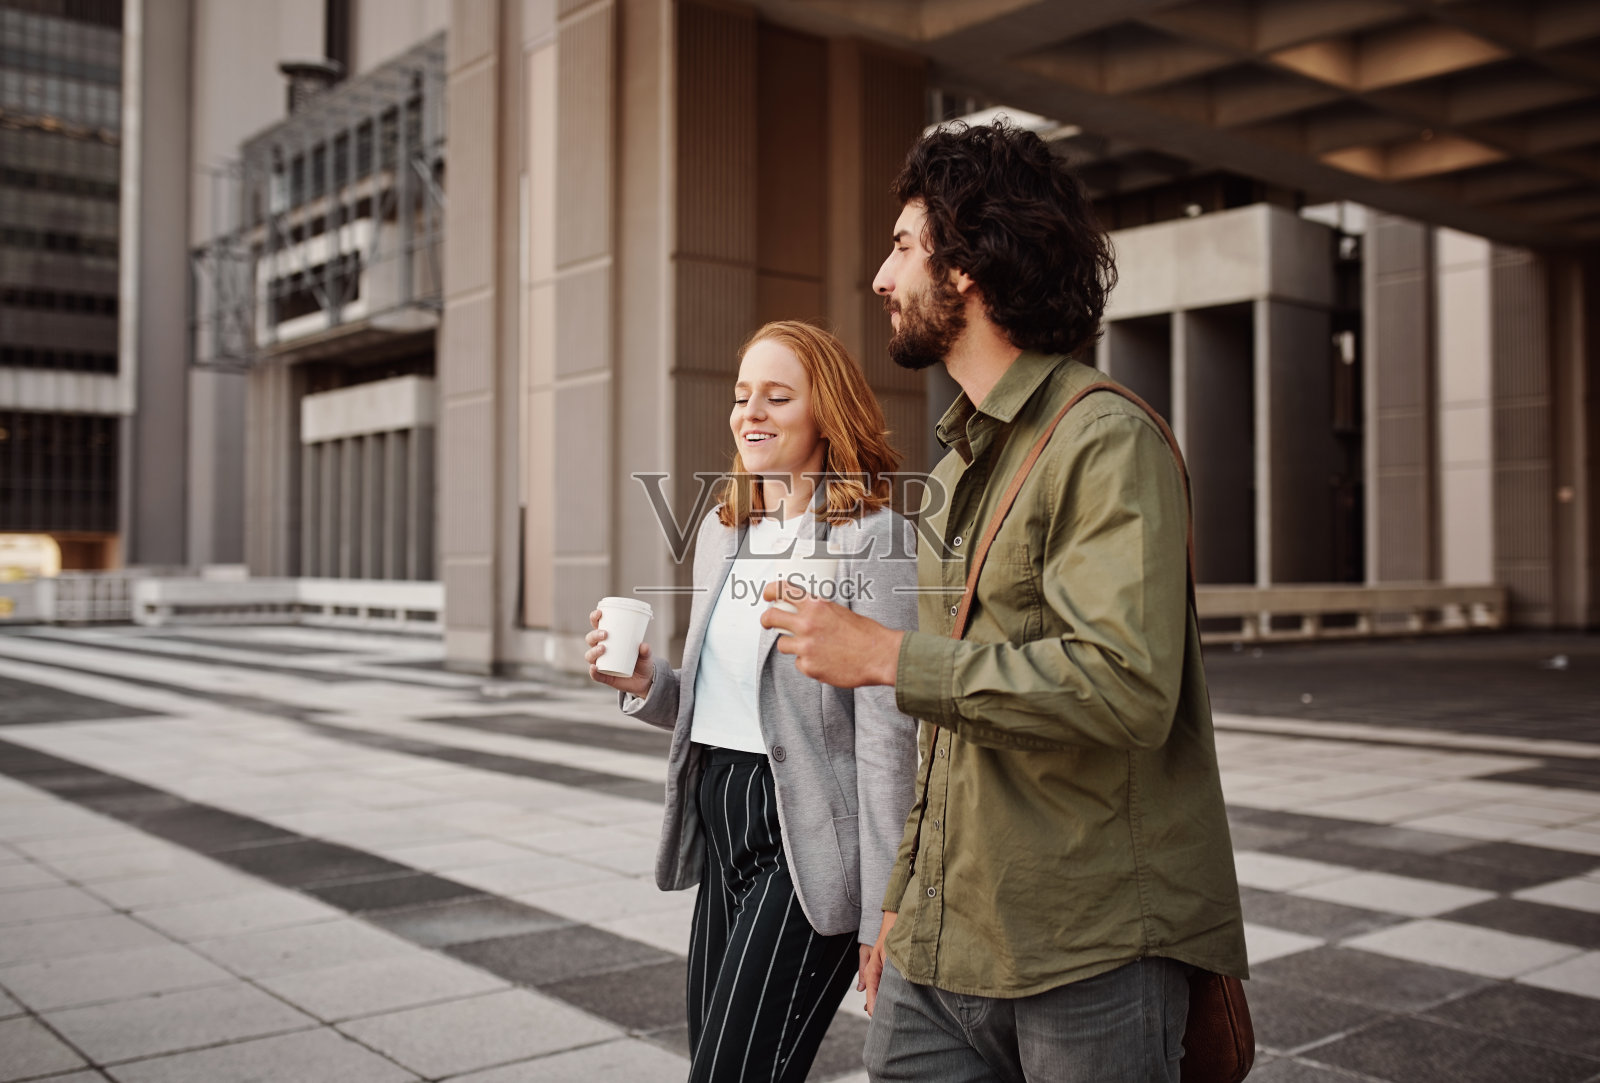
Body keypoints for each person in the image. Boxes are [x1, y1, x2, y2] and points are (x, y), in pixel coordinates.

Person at [760, 122, 1248, 1082]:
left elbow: (1124, 687)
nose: (880, 278)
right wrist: (902, 895)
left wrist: (888, 657)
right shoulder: (956, 467)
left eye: (903, 246)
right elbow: (949, 731)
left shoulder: (1105, 440)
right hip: (942, 945)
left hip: (1088, 948)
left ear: (969, 264)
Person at [586, 320, 921, 1083]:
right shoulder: (724, 530)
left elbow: (885, 738)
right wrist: (647, 685)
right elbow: (728, 701)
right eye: (742, 397)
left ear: (825, 413)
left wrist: (883, 911)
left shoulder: (874, 539)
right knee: (713, 1061)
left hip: (804, 838)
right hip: (721, 817)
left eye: (777, 396)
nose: (751, 414)